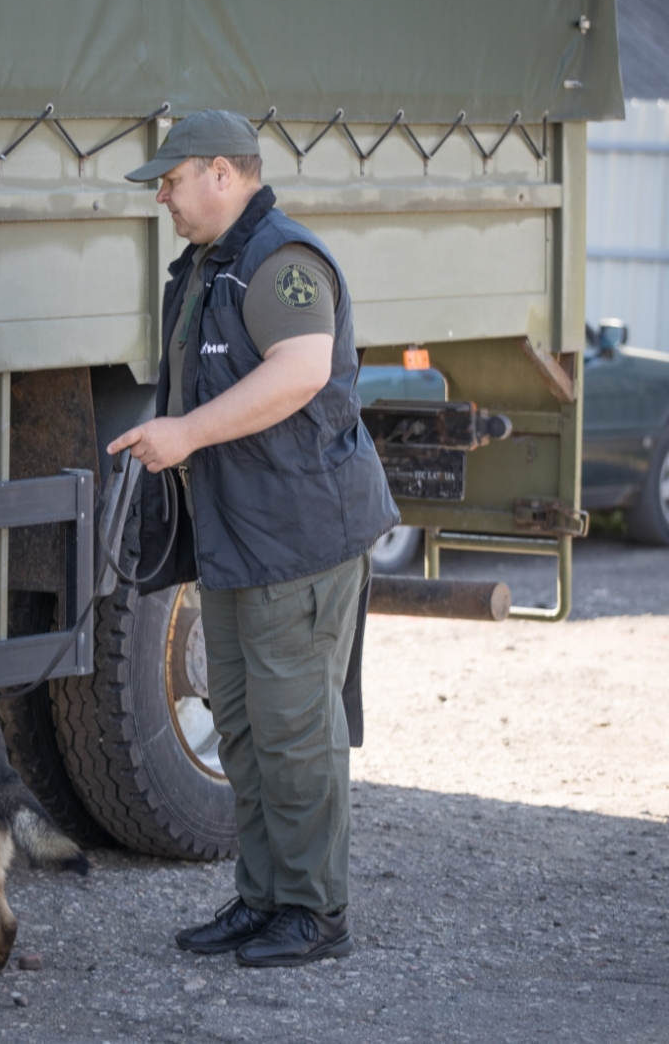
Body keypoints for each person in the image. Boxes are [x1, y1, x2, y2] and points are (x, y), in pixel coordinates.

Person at [109, 110, 398, 967]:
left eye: (172, 179)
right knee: (240, 722)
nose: (162, 195)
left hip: (299, 541)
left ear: (223, 174)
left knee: (294, 727)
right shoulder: (212, 266)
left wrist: (187, 433)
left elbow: (302, 370)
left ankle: (316, 912)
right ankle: (265, 896)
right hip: (241, 538)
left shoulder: (280, 262)